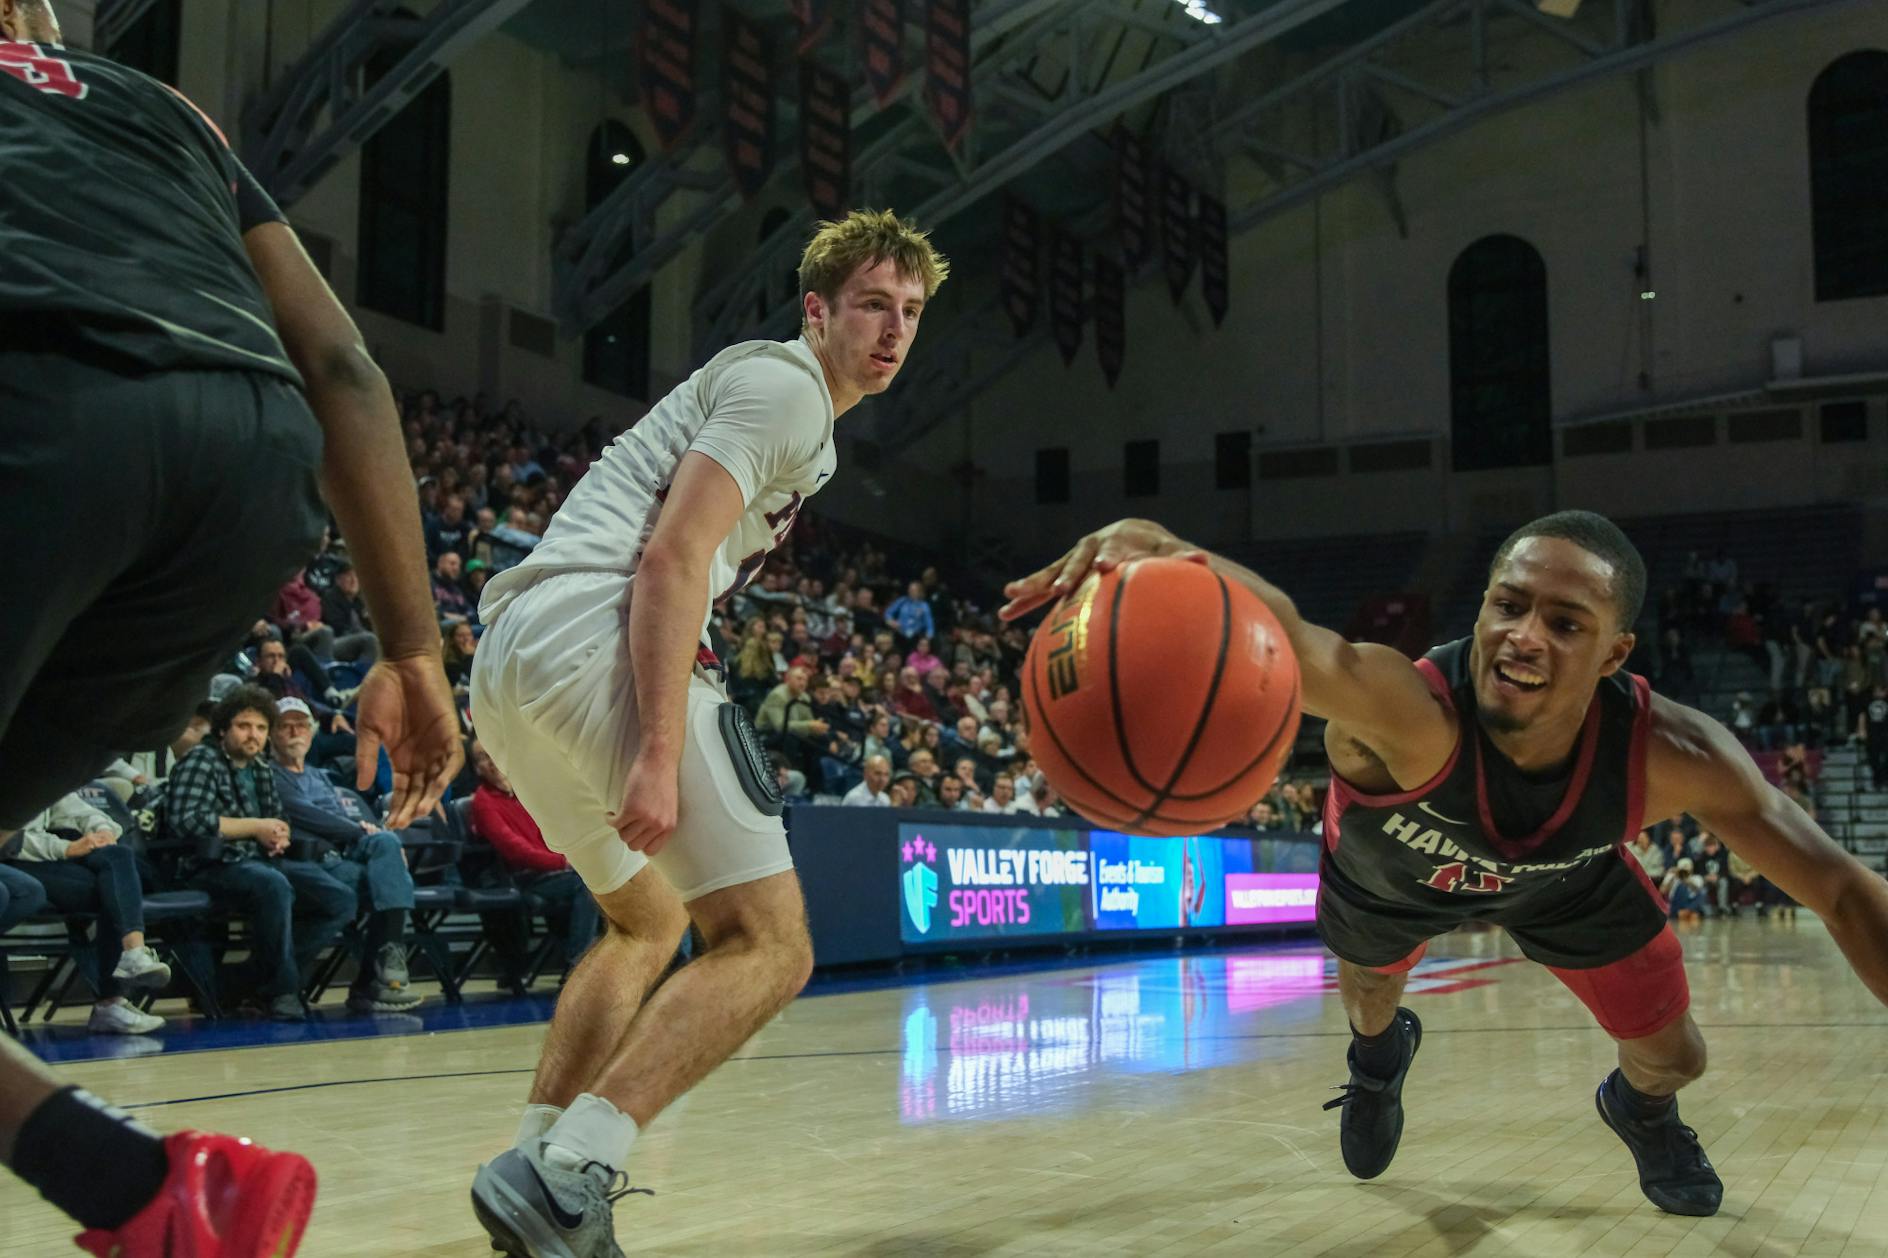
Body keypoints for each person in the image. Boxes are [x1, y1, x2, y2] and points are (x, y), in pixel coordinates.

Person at [1002, 510, 1888, 1219]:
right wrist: (1175, 555)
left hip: (1566, 880)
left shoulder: (1675, 753)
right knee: (1370, 1000)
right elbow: (1302, 645)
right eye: (1509, 605)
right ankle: (1379, 1060)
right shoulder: (1409, 710)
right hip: (1393, 876)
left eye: (1565, 621)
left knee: (1678, 1057)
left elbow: (1844, 891)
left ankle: (1642, 1110)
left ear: (1616, 654)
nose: (1524, 637)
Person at [0, 4, 461, 1252]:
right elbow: (348, 370)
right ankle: (145, 1191)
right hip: (245, 482)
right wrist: (413, 650)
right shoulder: (173, 118)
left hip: (35, 400)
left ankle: (133, 1185)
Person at [468, 208, 947, 1254]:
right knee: (769, 946)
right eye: (872, 304)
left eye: (910, 311)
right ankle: (579, 1165)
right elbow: (674, 558)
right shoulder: (785, 390)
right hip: (595, 632)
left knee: (646, 921)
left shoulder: (787, 407)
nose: (894, 330)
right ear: (816, 309)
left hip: (511, 655)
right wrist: (652, 750)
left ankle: (534, 1154)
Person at [267, 698, 422, 1012]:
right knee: (387, 880)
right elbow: (306, 815)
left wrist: (371, 833)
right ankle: (372, 984)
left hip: (345, 854)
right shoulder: (270, 775)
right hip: (310, 861)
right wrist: (361, 830)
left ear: (312, 734)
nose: (295, 731)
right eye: (286, 726)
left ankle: (384, 964)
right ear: (272, 735)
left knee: (388, 846)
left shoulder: (320, 775)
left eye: (301, 725)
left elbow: (346, 821)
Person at [5, 790, 170, 1035]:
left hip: (48, 856)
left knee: (118, 856)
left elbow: (79, 810)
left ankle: (134, 953)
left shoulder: (42, 771)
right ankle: (111, 1000)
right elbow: (8, 840)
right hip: (14, 861)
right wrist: (67, 848)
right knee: (114, 890)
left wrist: (102, 831)